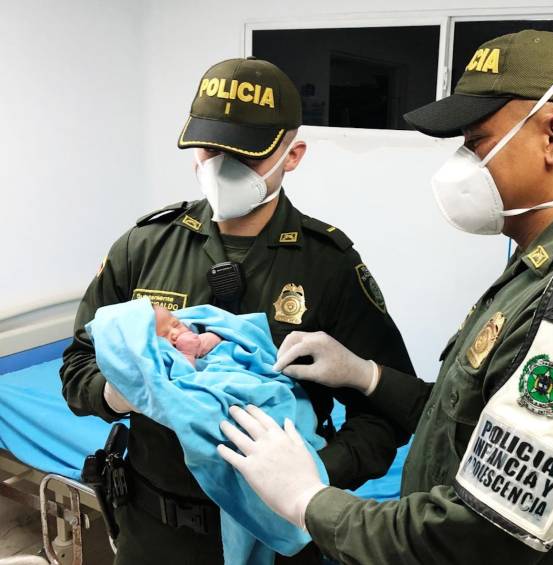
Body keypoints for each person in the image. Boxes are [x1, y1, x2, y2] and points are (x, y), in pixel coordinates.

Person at [217, 31, 553, 565]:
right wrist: (365, 375)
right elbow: (466, 430)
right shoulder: (536, 271)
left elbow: (482, 534)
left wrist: (310, 502)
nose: (460, 163)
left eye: (477, 140)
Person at [60, 57, 415, 565]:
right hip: (155, 533)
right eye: (211, 148)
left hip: (279, 536)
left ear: (292, 156)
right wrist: (119, 394)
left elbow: (386, 412)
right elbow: (76, 369)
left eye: (244, 154)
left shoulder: (328, 265)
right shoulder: (144, 248)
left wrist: (313, 475)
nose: (221, 166)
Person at [153, 305, 222, 366]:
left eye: (176, 325)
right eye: (164, 335)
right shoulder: (159, 360)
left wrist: (214, 337)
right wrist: (187, 355)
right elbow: (184, 378)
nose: (176, 333)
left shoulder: (194, 326)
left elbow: (226, 330)